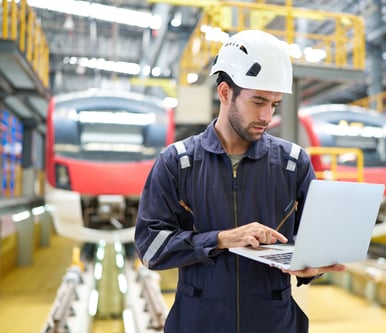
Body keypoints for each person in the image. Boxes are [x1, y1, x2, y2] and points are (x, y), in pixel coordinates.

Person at [134, 29, 345, 333]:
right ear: (225, 93)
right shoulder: (178, 163)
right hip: (200, 322)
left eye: (274, 104)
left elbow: (312, 243)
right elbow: (150, 248)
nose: (267, 116)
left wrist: (312, 268)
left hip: (273, 322)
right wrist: (220, 239)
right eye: (258, 101)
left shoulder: (293, 163)